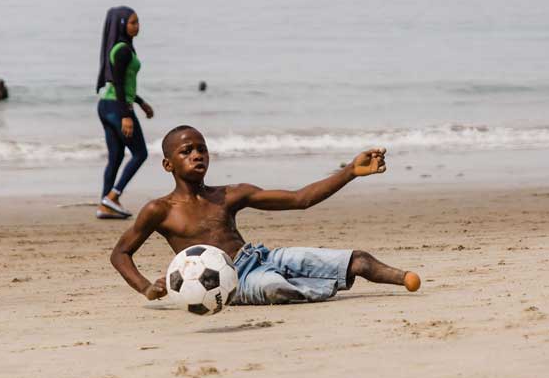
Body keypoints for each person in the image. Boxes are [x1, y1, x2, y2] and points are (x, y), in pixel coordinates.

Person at [110, 125, 421, 305]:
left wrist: (351, 171)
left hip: (261, 258)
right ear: (168, 164)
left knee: (358, 260)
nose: (197, 155)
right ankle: (323, 285)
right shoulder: (159, 210)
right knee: (274, 286)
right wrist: (145, 287)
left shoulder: (230, 195)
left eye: (201, 149)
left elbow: (301, 199)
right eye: (186, 151)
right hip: (231, 283)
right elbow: (121, 253)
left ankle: (402, 278)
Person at [95, 6, 154, 219]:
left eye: (138, 22)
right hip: (116, 107)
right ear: (121, 24)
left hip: (107, 105)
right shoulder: (122, 50)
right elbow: (119, 84)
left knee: (117, 156)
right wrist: (126, 115)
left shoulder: (123, 47)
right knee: (140, 153)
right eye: (133, 22)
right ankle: (113, 196)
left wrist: (140, 102)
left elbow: (124, 84)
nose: (137, 26)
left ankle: (105, 204)